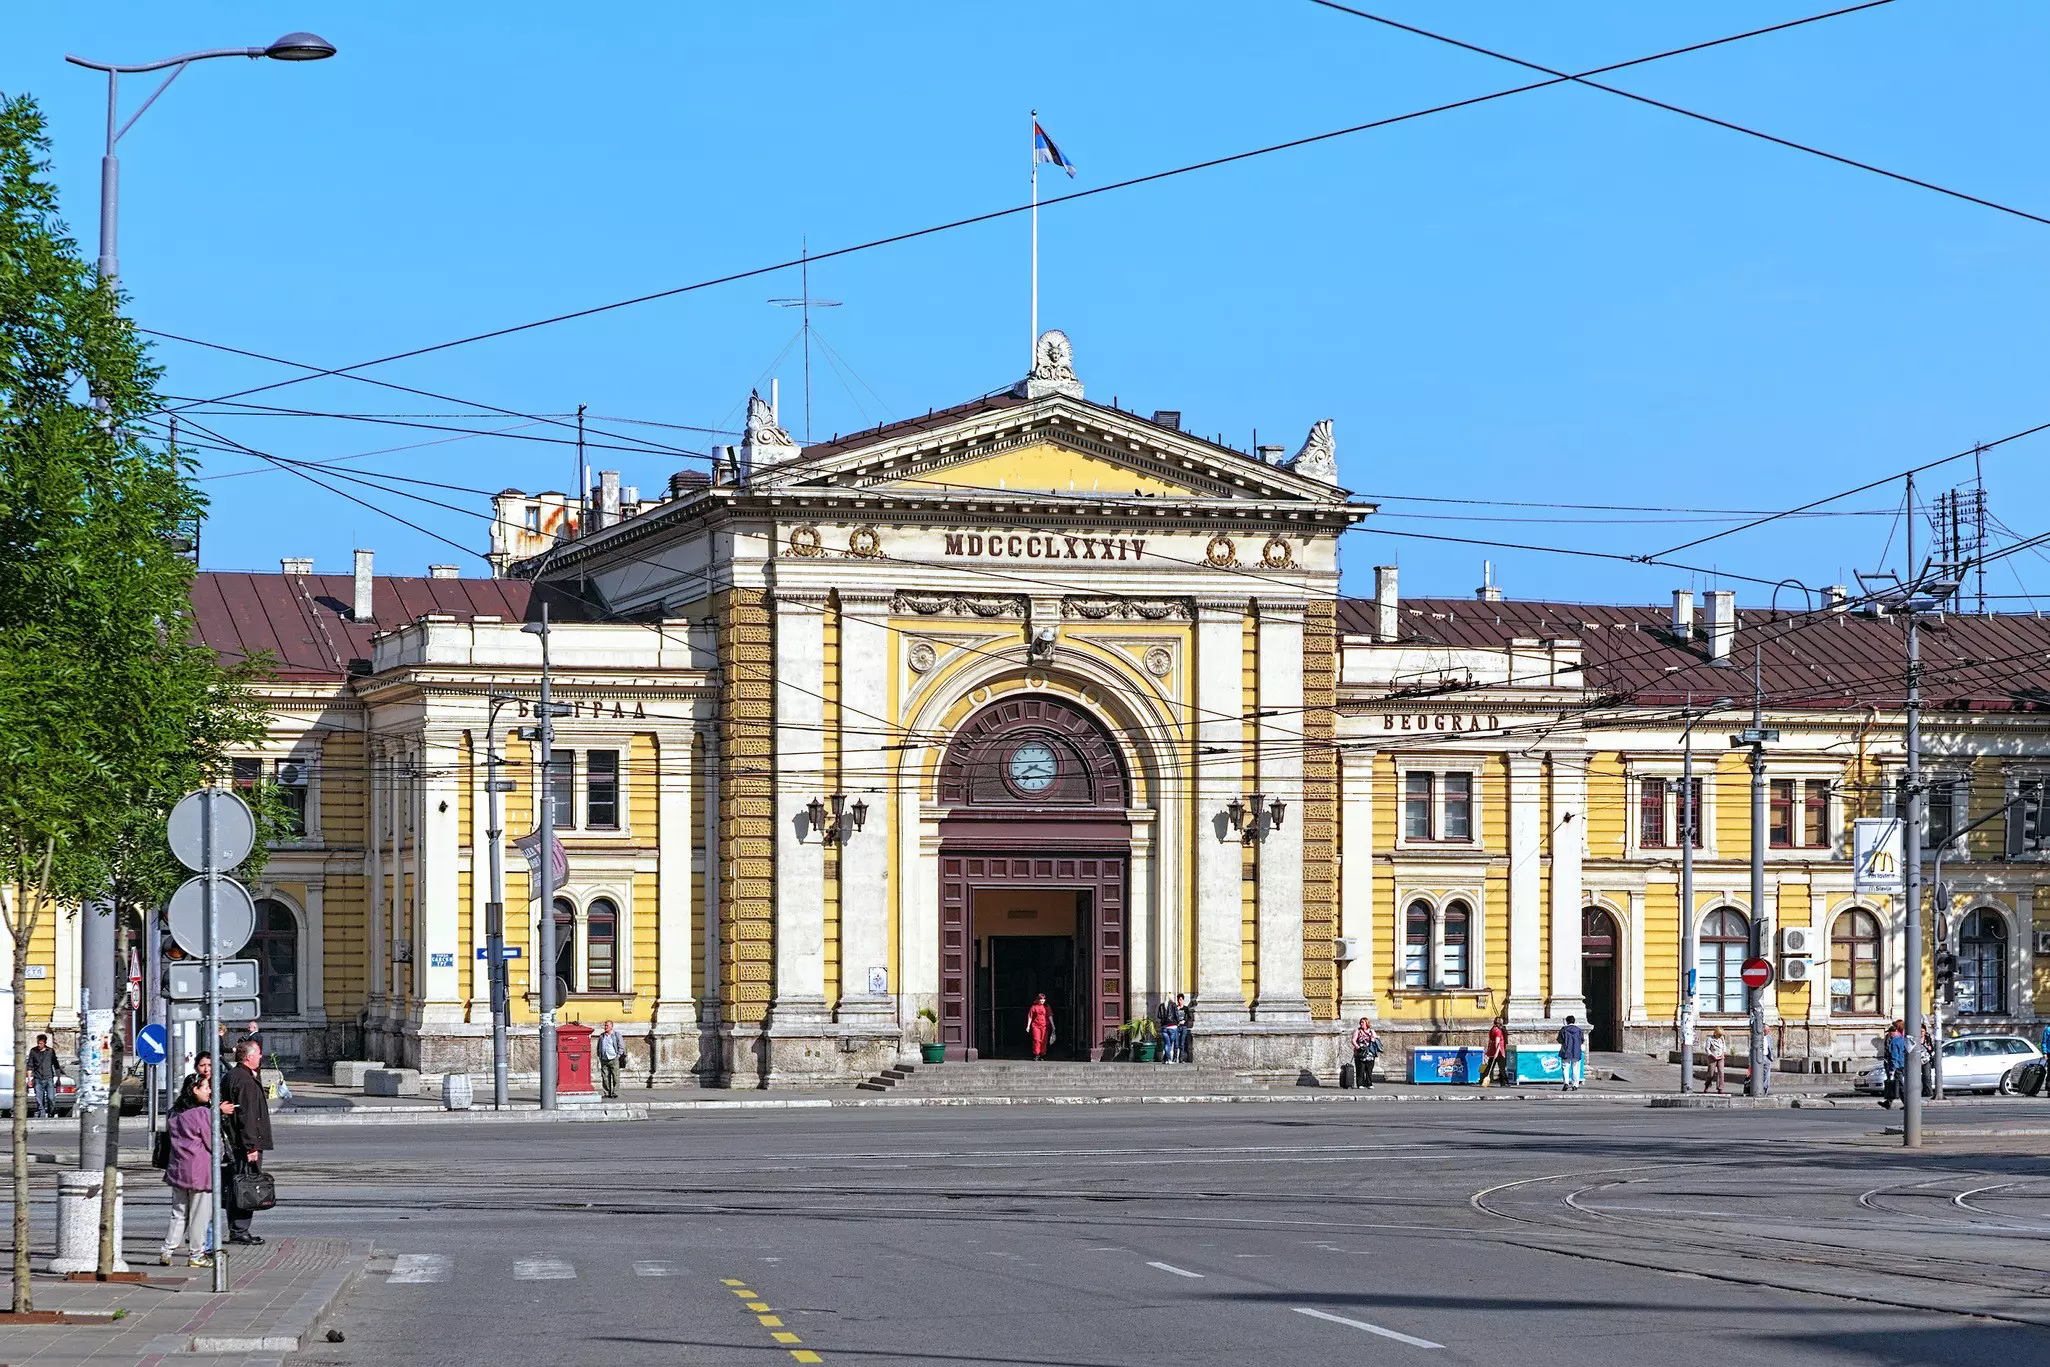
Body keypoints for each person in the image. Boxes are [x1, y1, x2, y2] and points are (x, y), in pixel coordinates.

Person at [161, 1074, 217, 1267]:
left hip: (177, 1168)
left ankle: (167, 1251)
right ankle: (196, 1254)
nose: (209, 1091)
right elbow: (212, 1143)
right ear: (195, 1090)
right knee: (200, 1216)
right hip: (200, 1171)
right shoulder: (202, 1113)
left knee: (178, 1213)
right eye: (206, 1087)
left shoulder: (174, 1113)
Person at [222, 1040, 273, 1245]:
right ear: (249, 1056)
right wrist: (252, 1146)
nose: (261, 1057)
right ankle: (239, 1230)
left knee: (239, 1184)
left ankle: (238, 1229)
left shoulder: (235, 1076)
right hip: (244, 1144)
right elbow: (248, 1117)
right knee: (246, 1186)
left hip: (239, 1142)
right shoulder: (244, 1080)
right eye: (259, 1053)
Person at [27, 1033, 59, 1118]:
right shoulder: (33, 1051)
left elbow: (56, 1065)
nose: (39, 1045)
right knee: (39, 1098)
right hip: (38, 1078)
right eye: (38, 1043)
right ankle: (42, 1113)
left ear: (45, 1043)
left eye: (40, 1043)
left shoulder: (50, 1051)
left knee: (51, 1098)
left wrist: (58, 1077)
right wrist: (29, 1079)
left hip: (49, 1078)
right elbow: (30, 1065)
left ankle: (51, 1112)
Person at [1880, 1021, 1908, 1108]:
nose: (1889, 1035)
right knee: (1894, 1084)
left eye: (1889, 1033)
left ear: (1892, 1032)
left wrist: (1892, 1069)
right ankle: (1888, 1102)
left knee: (1899, 1085)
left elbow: (1894, 1056)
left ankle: (1907, 1104)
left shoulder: (1894, 1042)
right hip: (1902, 1065)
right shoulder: (1902, 1039)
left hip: (1897, 1067)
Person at [595, 1021, 626, 1098]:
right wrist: (600, 1055)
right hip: (604, 1059)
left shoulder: (616, 1035)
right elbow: (599, 1046)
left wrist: (618, 1056)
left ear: (611, 1026)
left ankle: (615, 1093)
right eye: (605, 1025)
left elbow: (621, 1046)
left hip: (613, 1058)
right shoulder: (602, 1036)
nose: (605, 1027)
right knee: (605, 1077)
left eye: (607, 1026)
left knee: (615, 1077)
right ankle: (606, 1093)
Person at [1351, 1018, 1382, 1090]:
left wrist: (1373, 1039)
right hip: (1360, 1052)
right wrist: (1358, 1047)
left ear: (1367, 1023)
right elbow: (1353, 1040)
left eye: (1363, 1022)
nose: (1361, 1024)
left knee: (1369, 1069)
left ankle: (1369, 1083)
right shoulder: (1357, 1031)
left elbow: (1376, 1039)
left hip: (1370, 1053)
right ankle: (1360, 1084)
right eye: (1360, 1022)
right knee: (1360, 1068)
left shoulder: (1372, 1031)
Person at [1558, 1015, 1587, 1091]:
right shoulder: (1579, 1030)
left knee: (1565, 1068)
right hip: (1576, 1051)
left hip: (1566, 1051)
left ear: (1567, 1021)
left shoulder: (1563, 1030)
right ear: (1574, 1021)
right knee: (1575, 1068)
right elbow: (1582, 1040)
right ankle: (1575, 1085)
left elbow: (1560, 1040)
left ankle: (1566, 1083)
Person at [1025, 993, 1053, 1061]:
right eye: (1041, 999)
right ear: (1038, 1000)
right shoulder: (1034, 1007)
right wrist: (1028, 1026)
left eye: (1044, 999)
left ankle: (1042, 1054)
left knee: (1044, 1040)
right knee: (1036, 1039)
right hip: (1036, 1025)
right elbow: (1030, 1016)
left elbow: (1050, 1016)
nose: (1042, 1001)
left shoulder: (1047, 1007)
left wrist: (1053, 1025)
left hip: (1045, 1026)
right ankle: (1036, 1054)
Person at [1482, 1017, 1509, 1087]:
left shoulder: (1492, 1029)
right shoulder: (1498, 1031)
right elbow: (1497, 1042)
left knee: (1490, 1066)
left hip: (1492, 1050)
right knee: (1502, 1068)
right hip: (1499, 1051)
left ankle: (1482, 1079)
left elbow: (1490, 1041)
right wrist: (1497, 1052)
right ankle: (1503, 1082)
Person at [1156, 996, 1183, 1065]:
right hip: (1172, 1026)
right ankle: (1168, 1059)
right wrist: (1178, 1022)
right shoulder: (1173, 1004)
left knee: (1166, 1044)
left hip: (1164, 1027)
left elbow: (1159, 1016)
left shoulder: (1161, 1005)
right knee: (1169, 1044)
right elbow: (1177, 1015)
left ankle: (1164, 1059)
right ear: (1171, 998)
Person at [1705, 1027, 1729, 1094]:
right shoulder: (1710, 1039)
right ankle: (1707, 1085)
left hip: (1720, 1057)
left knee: (1721, 1072)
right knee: (1711, 1074)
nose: (1720, 1036)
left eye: (1721, 1035)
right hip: (1713, 1057)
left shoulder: (1722, 1038)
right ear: (1716, 1033)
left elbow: (1724, 1047)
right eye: (1719, 1034)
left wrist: (1723, 1054)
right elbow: (1707, 1049)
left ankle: (1720, 1088)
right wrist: (1712, 1055)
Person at [1172, 994, 1191, 1063]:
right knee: (1176, 1043)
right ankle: (1174, 1058)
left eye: (1181, 1000)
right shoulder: (1175, 1008)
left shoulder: (1186, 1008)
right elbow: (1172, 1017)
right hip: (1177, 1027)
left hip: (1183, 1027)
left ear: (1183, 1000)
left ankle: (1181, 1059)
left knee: (1182, 1043)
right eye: (1179, 1000)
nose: (1180, 1001)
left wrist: (1184, 1021)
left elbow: (1189, 1017)